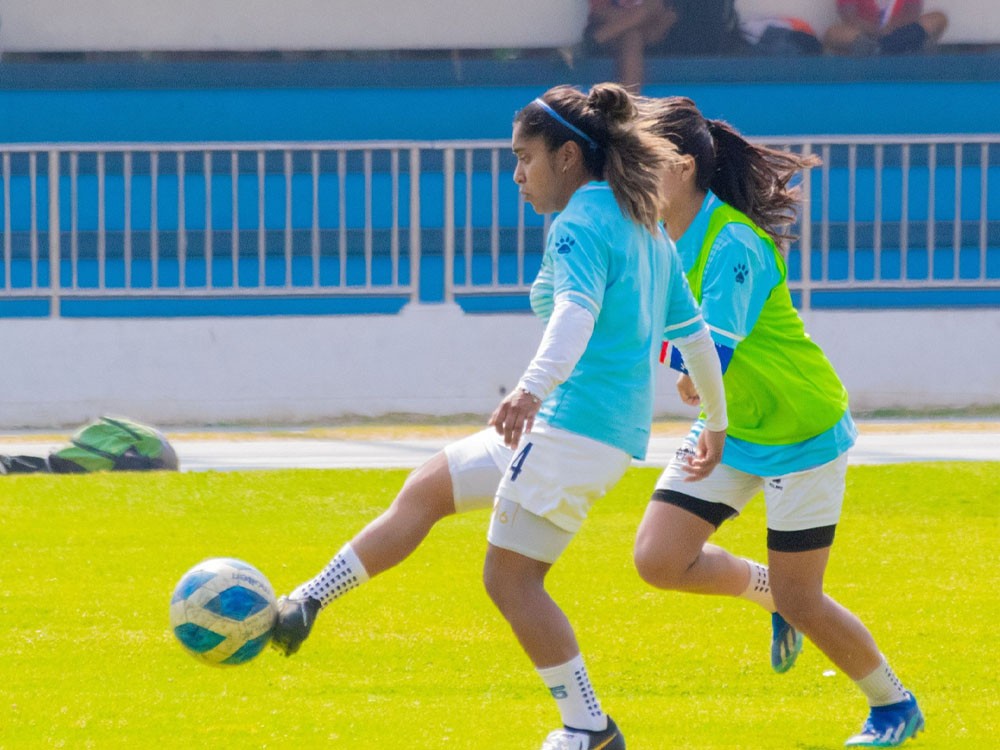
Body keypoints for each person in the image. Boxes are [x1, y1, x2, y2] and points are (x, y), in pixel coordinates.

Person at [270, 83, 729, 750]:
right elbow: (694, 337)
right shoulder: (644, 227)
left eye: (524, 158)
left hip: (571, 431)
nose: (516, 175)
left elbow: (576, 317)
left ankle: (589, 727)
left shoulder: (580, 223)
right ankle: (306, 602)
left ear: (569, 157)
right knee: (428, 486)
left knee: (509, 578)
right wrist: (714, 423)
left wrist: (529, 390)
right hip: (587, 432)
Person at [634, 96, 924, 748]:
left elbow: (715, 349)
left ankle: (893, 707)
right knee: (657, 559)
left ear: (681, 168)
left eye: (638, 160)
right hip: (730, 424)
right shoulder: (652, 242)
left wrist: (686, 375)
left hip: (800, 431)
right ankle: (769, 593)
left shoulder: (733, 240)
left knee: (806, 600)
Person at [585, 1, 678, 91]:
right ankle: (631, 98)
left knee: (650, 7)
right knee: (633, 36)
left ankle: (595, 39)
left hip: (652, 29)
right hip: (614, 30)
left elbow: (667, 16)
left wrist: (634, 17)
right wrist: (633, 17)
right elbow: (598, 11)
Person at [825, 0, 948, 55]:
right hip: (865, 37)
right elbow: (849, 17)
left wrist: (892, 29)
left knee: (938, 18)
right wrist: (877, 31)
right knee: (833, 33)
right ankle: (878, 50)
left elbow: (913, 13)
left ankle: (891, 48)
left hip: (900, 34)